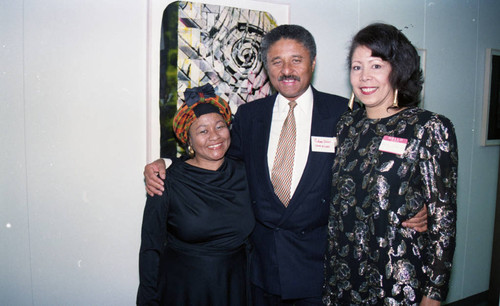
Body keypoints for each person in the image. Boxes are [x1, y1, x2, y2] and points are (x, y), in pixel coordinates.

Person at [145, 24, 427, 305]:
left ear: (313, 63)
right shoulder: (250, 115)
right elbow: (217, 157)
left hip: (318, 271)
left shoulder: (344, 114)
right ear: (267, 67)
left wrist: (411, 203)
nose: (287, 70)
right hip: (259, 271)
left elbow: (374, 168)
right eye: (276, 61)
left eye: (296, 60)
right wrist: (168, 164)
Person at [323, 23, 457, 306]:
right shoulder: (347, 125)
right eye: (357, 67)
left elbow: (443, 221)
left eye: (376, 65)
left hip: (396, 278)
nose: (364, 77)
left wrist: (434, 296)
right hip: (343, 273)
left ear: (398, 70)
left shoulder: (428, 128)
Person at [137, 84, 255, 306]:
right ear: (188, 140)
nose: (214, 137)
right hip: (185, 290)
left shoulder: (246, 172)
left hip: (237, 287)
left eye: (220, 126)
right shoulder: (165, 181)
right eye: (202, 131)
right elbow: (151, 248)